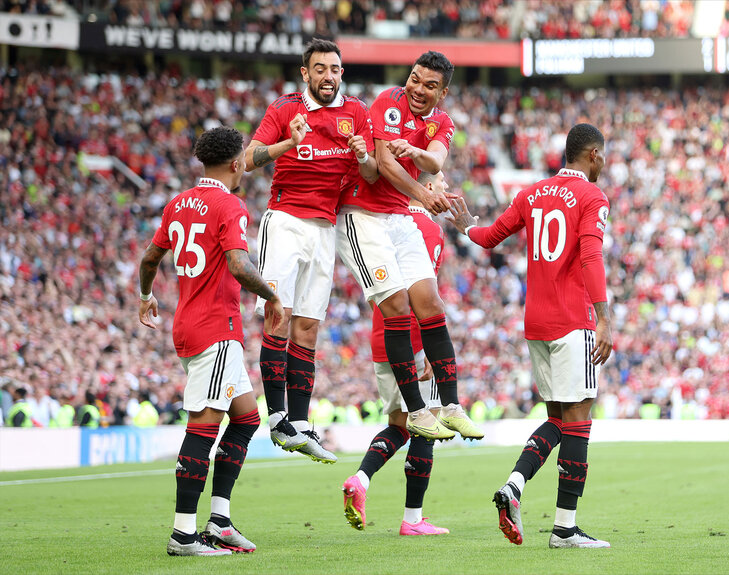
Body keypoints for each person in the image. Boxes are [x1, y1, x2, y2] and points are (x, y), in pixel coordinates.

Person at [447, 123, 614, 549]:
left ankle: (514, 486)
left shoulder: (532, 193)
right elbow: (591, 253)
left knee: (558, 419)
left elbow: (490, 237)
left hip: (535, 322)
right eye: (604, 156)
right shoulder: (593, 196)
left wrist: (467, 226)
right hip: (573, 320)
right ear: (592, 154)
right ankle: (565, 528)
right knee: (578, 422)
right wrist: (604, 316)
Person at [138, 126, 287, 557]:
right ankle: (184, 534)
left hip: (188, 323)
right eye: (243, 159)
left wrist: (146, 297)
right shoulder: (230, 204)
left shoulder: (177, 203)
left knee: (245, 420)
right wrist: (273, 295)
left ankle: (219, 520)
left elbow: (150, 258)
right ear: (237, 162)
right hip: (215, 330)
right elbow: (239, 266)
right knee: (203, 427)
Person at [336, 51, 482, 441]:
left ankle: (450, 406)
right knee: (397, 305)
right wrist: (421, 190)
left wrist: (420, 155)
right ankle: (417, 410)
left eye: (429, 85)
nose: (417, 88)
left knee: (431, 303)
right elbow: (384, 163)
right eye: (415, 78)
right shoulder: (389, 101)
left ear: (443, 93)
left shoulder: (443, 122)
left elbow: (436, 159)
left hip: (399, 217)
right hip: (362, 216)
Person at [244, 38, 377, 464]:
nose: (328, 76)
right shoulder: (284, 109)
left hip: (325, 228)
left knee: (308, 328)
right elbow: (248, 159)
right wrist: (287, 143)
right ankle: (277, 416)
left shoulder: (355, 112)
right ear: (306, 73)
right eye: (320, 69)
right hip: (285, 221)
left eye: (335, 69)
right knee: (278, 315)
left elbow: (372, 174)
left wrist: (364, 157)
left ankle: (299, 424)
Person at [342, 171, 451, 536]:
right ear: (428, 187)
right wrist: (428, 354)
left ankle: (360, 479)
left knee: (399, 428)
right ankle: (413, 519)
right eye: (443, 185)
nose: (447, 192)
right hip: (413, 344)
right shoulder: (426, 230)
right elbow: (424, 304)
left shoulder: (383, 223)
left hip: (382, 338)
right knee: (424, 428)